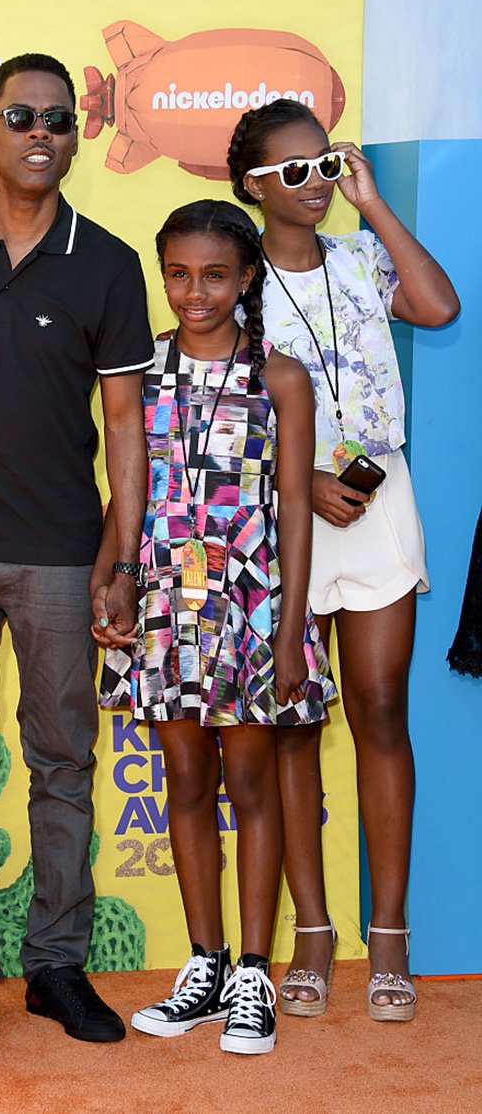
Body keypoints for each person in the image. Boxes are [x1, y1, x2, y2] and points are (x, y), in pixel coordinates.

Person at [0, 53, 153, 1048]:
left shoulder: (107, 260)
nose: (37, 132)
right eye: (18, 115)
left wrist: (121, 554)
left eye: (55, 118)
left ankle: (54, 966)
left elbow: (125, 423)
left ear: (74, 135)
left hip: (59, 551)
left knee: (61, 761)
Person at [227, 99, 460, 1022]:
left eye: (324, 164)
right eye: (292, 172)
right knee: (291, 718)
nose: (312, 183)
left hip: (377, 501)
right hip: (284, 509)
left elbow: (438, 306)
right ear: (251, 186)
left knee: (381, 707)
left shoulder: (363, 259)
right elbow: (229, 410)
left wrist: (373, 203)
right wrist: (302, 483)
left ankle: (391, 935)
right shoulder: (234, 283)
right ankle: (313, 934)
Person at [92, 199, 335, 1055]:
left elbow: (298, 510)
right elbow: (127, 489)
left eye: (216, 275)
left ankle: (255, 978)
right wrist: (109, 580)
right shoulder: (139, 369)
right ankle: (204, 963)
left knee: (254, 786)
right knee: (185, 780)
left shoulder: (281, 376)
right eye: (179, 275)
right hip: (164, 603)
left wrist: (291, 625)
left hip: (255, 605)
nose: (195, 292)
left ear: (247, 279)